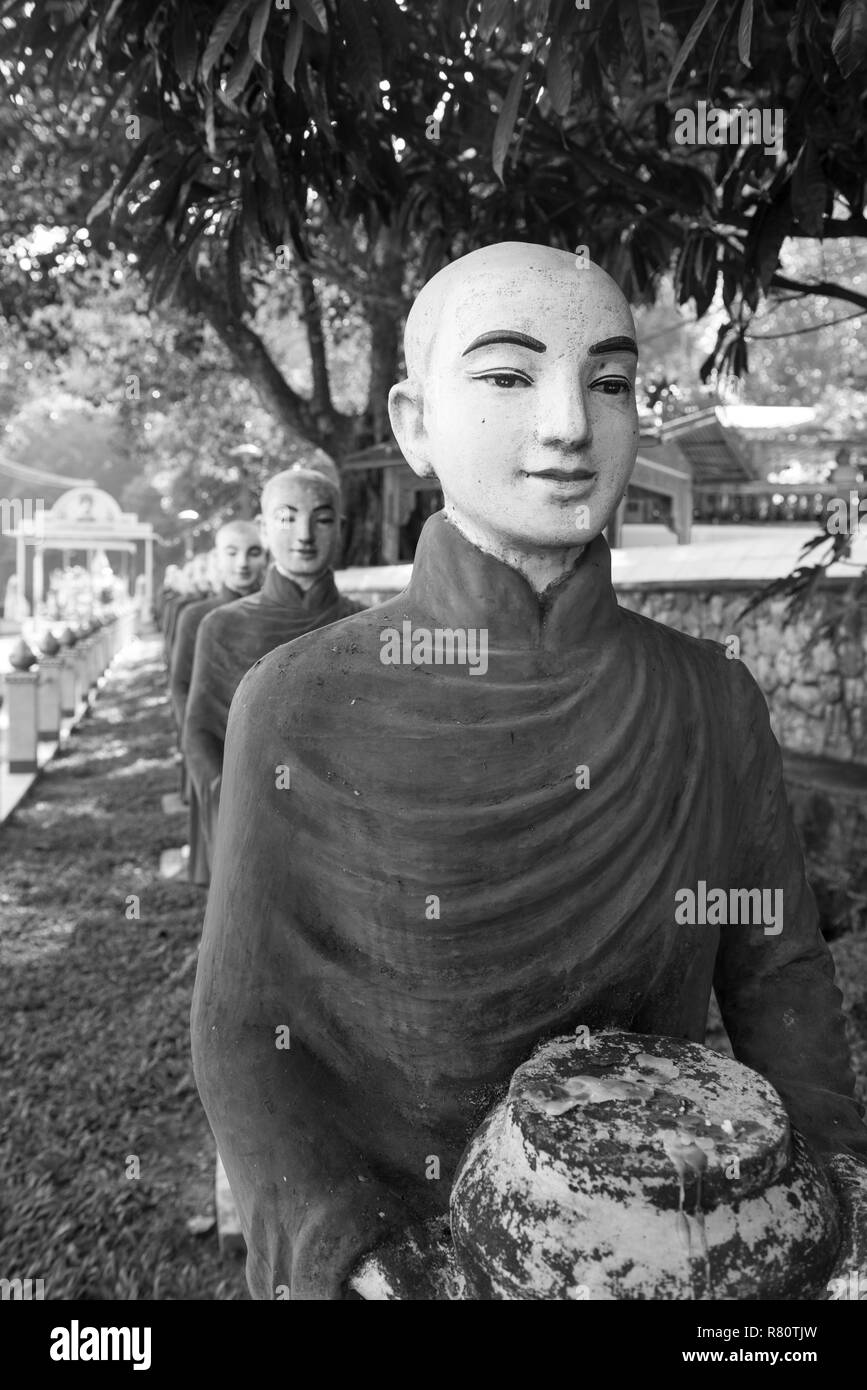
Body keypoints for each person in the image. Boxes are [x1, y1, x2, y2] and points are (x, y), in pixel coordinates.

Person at [192, 241, 867, 1301]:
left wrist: (839, 1199)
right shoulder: (298, 698)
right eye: (509, 376)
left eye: (608, 382)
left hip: (667, 1262)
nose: (567, 426)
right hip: (411, 1255)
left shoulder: (709, 697)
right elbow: (244, 1032)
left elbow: (779, 974)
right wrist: (362, 1258)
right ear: (416, 425)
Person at [183, 459, 360, 877]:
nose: (303, 536)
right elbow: (200, 732)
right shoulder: (224, 626)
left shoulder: (365, 624)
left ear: (340, 527)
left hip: (343, 828)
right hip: (251, 821)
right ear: (264, 529)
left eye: (321, 520)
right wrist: (232, 805)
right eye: (287, 518)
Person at [169, 520, 267, 885]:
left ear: (265, 557)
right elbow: (180, 684)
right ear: (217, 559)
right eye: (232, 552)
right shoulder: (196, 616)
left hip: (263, 745)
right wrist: (195, 741)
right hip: (213, 741)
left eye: (253, 552)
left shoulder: (273, 612)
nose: (242, 563)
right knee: (221, 854)